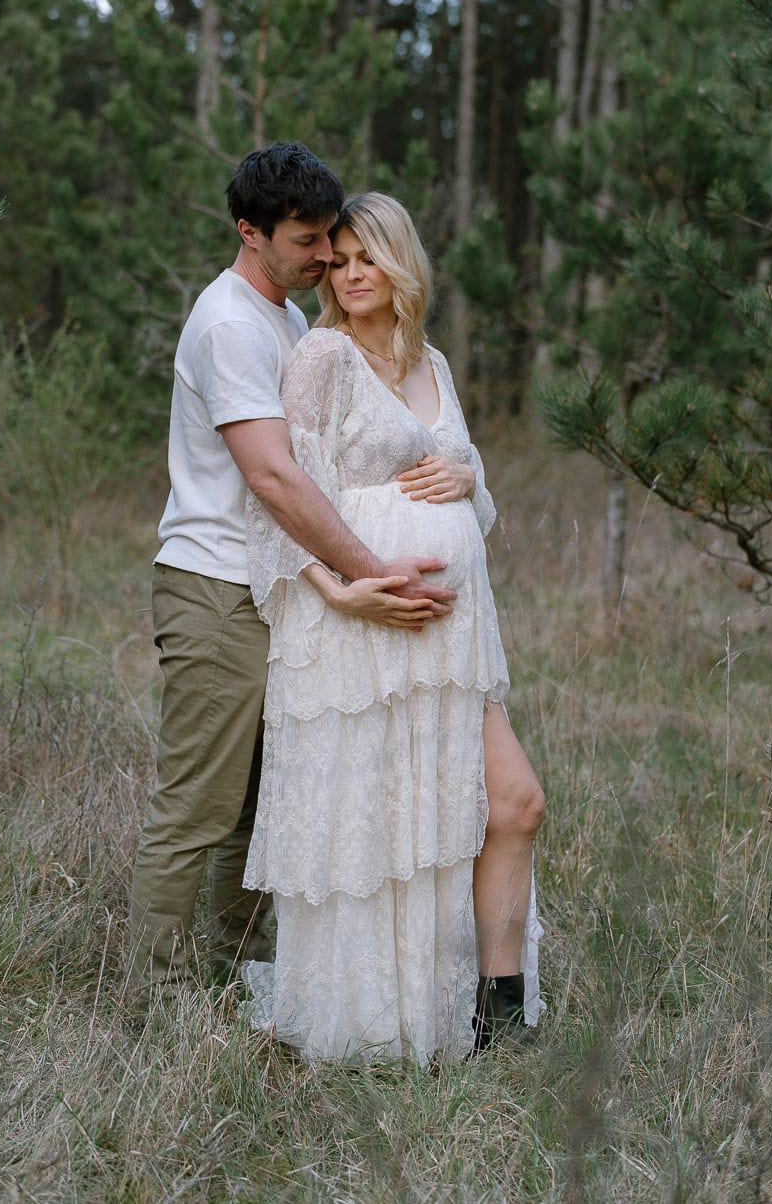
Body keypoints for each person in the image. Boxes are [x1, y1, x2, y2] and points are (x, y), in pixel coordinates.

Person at [127, 147, 457, 997]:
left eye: (330, 240)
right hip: (215, 588)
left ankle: (239, 975)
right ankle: (154, 1002)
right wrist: (366, 567)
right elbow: (273, 476)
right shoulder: (232, 324)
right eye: (309, 241)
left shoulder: (280, 317)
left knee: (256, 802)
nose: (324, 257)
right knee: (199, 804)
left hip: (274, 590)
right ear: (251, 232)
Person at [241, 191, 545, 1064]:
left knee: (512, 804)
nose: (348, 274)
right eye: (334, 261)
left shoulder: (435, 365)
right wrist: (339, 589)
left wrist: (467, 485)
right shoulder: (320, 357)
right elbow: (275, 500)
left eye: (365, 256)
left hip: (450, 643)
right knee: (377, 827)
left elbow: (475, 499)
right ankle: (377, 1020)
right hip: (353, 634)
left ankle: (497, 1021)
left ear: (400, 260)